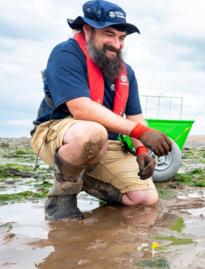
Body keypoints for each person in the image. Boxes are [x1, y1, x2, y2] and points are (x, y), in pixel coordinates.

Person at [31, 0, 172, 220]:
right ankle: (62, 199)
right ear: (87, 30)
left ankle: (87, 177)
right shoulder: (65, 54)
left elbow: (135, 117)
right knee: (93, 133)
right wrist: (141, 133)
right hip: (57, 132)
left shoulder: (127, 72)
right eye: (109, 34)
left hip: (107, 143)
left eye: (121, 37)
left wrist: (142, 150)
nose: (116, 44)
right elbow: (81, 109)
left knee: (144, 198)